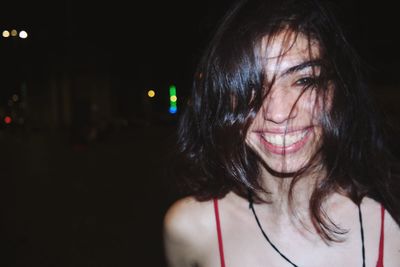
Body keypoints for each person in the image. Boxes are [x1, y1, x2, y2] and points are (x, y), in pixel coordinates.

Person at [163, 0, 400, 266]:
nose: (277, 113)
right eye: (251, 85)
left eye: (304, 80)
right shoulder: (192, 229)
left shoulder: (389, 224)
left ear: (339, 91)